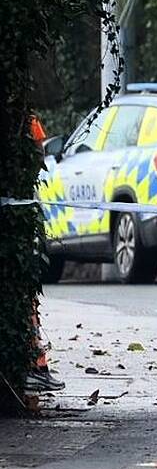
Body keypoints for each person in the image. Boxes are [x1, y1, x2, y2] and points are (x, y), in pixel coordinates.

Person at [26, 113, 65, 393]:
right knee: (26, 303)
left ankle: (36, 366)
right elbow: (39, 153)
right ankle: (35, 367)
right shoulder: (27, 119)